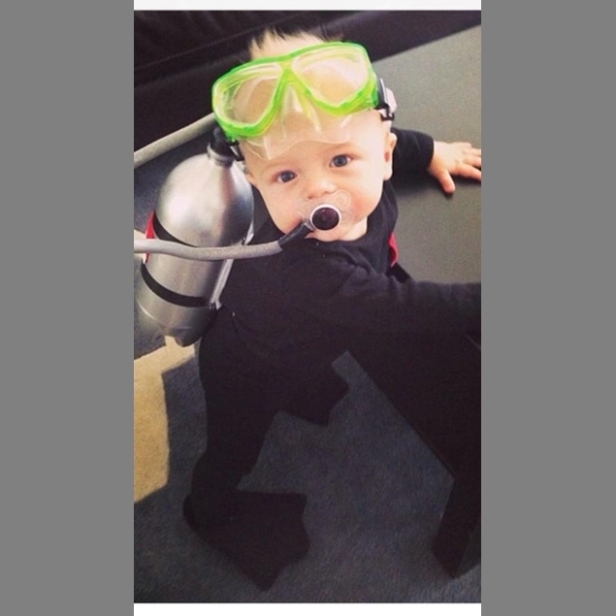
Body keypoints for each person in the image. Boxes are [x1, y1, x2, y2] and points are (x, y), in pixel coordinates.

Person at [183, 28, 482, 590]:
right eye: (286, 175)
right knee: (234, 448)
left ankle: (296, 386)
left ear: (382, 155)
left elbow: (399, 142)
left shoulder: (382, 159)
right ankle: (209, 511)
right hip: (246, 371)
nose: (319, 189)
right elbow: (403, 307)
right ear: (255, 180)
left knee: (304, 359)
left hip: (294, 344)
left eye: (341, 158)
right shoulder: (308, 270)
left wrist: (433, 151)